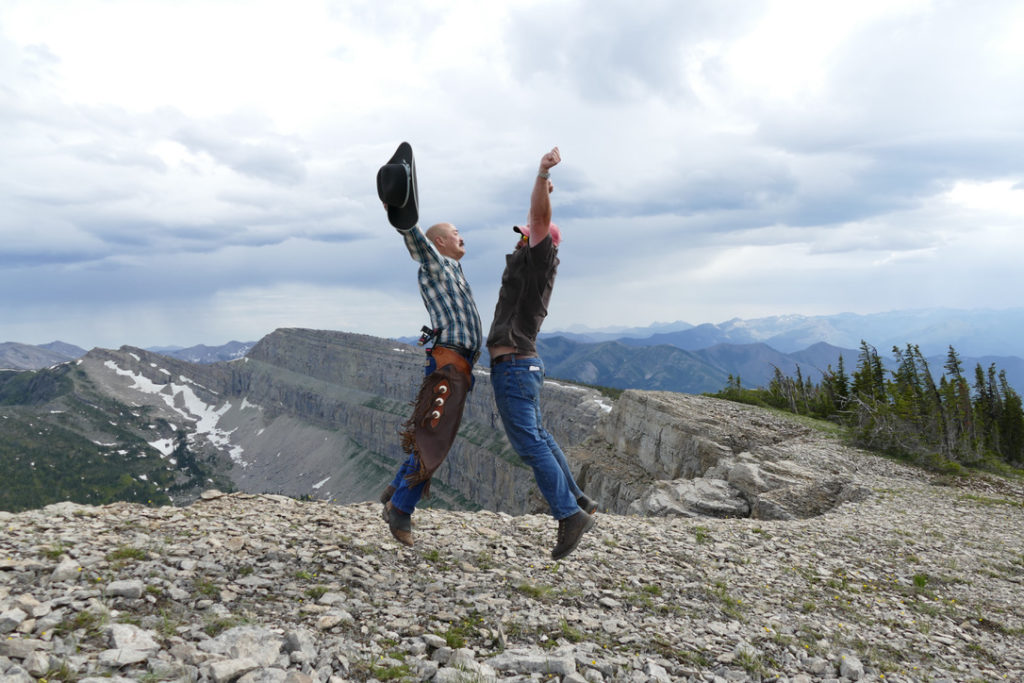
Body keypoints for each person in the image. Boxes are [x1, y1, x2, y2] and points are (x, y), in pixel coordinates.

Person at [486, 146, 598, 560]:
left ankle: (569, 514)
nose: (519, 240)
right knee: (541, 437)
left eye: (523, 237)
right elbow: (536, 221)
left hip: (514, 364)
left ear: (540, 242)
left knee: (530, 444)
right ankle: (579, 500)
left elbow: (538, 221)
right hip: (523, 364)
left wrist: (540, 174)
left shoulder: (538, 259)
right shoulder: (534, 265)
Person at [376, 142, 483, 547]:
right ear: (439, 242)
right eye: (454, 233)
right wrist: (403, 216)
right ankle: (400, 510)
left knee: (429, 434)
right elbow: (416, 242)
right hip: (450, 364)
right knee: (434, 438)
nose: (461, 237)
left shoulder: (453, 269)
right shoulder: (436, 263)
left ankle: (393, 491)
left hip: (457, 365)